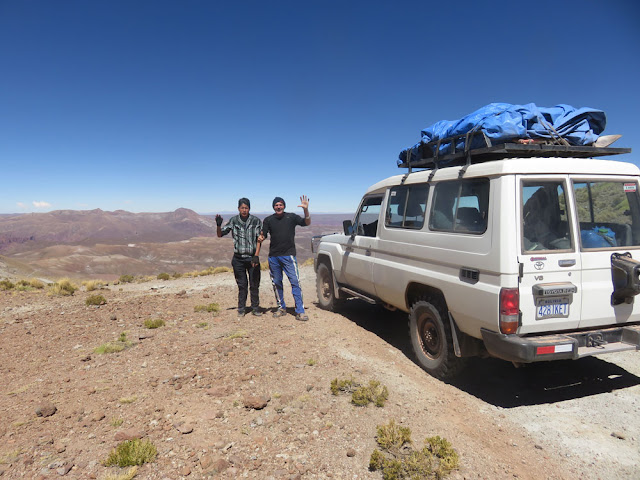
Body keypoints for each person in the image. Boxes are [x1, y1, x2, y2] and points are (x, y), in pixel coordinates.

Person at [259, 195, 310, 321]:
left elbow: (306, 222)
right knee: (276, 283)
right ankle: (281, 307)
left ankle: (300, 311)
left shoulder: (291, 217)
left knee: (295, 282)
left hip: (288, 255)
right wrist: (260, 237)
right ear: (273, 207)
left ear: (284, 206)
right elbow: (263, 235)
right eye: (276, 205)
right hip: (274, 257)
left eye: (280, 204)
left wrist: (305, 210)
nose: (278, 207)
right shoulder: (268, 220)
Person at [216, 198, 262, 318]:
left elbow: (259, 239)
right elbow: (220, 234)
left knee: (254, 284)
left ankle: (255, 308)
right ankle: (241, 308)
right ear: (238, 209)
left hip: (252, 258)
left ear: (249, 209)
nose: (244, 210)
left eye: (246, 208)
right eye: (242, 208)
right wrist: (218, 225)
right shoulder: (234, 220)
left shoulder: (256, 221)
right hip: (238, 259)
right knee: (242, 285)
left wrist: (256, 255)